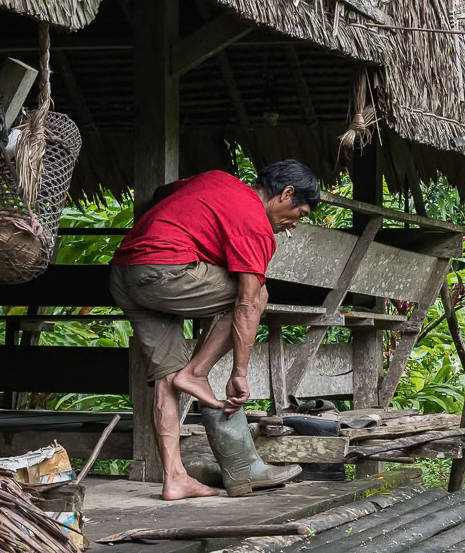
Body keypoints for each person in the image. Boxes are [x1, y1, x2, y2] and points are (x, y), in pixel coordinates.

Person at [110, 161, 318, 499]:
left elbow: (164, 193)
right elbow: (248, 304)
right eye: (299, 213)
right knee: (257, 293)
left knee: (166, 375)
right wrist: (239, 372)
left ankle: (175, 478)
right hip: (166, 269)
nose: (293, 224)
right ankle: (197, 373)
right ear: (286, 193)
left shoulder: (215, 179)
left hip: (124, 274)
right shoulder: (256, 224)